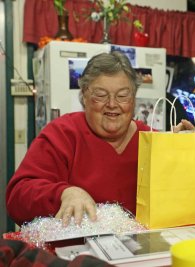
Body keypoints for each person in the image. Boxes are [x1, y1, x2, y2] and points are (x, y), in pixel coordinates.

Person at [6, 51, 161, 226]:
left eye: (122, 95)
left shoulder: (153, 140)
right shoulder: (62, 133)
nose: (112, 104)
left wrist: (187, 146)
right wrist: (64, 193)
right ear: (84, 97)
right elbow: (17, 198)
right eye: (100, 95)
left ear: (133, 99)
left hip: (142, 250)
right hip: (73, 251)